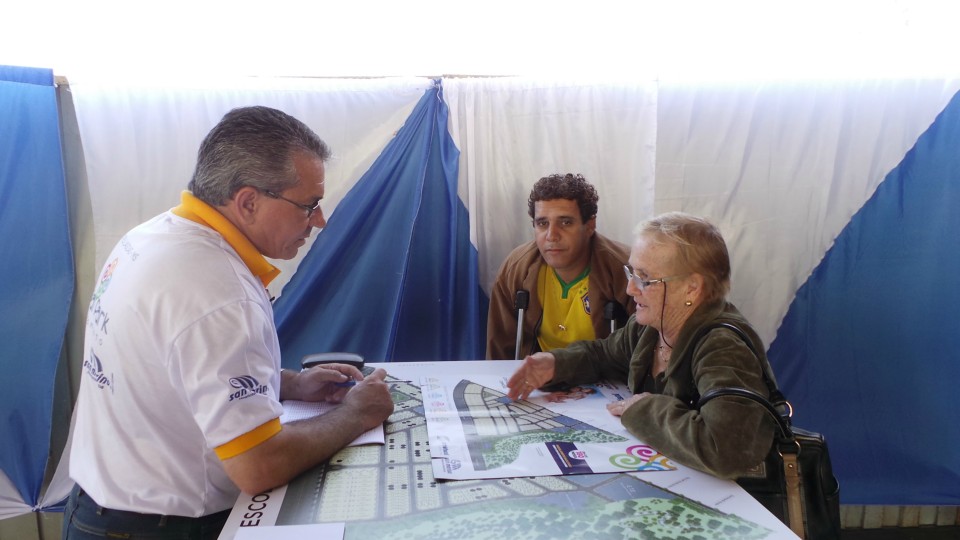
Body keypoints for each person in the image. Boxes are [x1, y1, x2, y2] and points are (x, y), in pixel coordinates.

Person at [63, 106, 395, 539]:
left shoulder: (149, 238)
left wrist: (286, 384)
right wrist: (355, 413)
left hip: (98, 508)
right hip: (160, 527)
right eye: (309, 205)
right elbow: (259, 465)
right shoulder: (218, 292)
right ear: (248, 201)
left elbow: (170, 374)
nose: (319, 220)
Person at [506, 212, 775, 478]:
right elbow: (603, 354)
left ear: (692, 288)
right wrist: (555, 364)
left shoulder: (723, 347)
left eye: (645, 279)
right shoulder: (649, 327)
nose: (630, 289)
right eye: (631, 273)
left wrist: (644, 410)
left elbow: (726, 449)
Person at [486, 173, 635, 360]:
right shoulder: (516, 268)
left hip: (606, 378)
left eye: (565, 222)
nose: (551, 235)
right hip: (540, 376)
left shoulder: (627, 270)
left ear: (590, 225)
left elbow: (647, 351)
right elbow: (500, 350)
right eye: (542, 223)